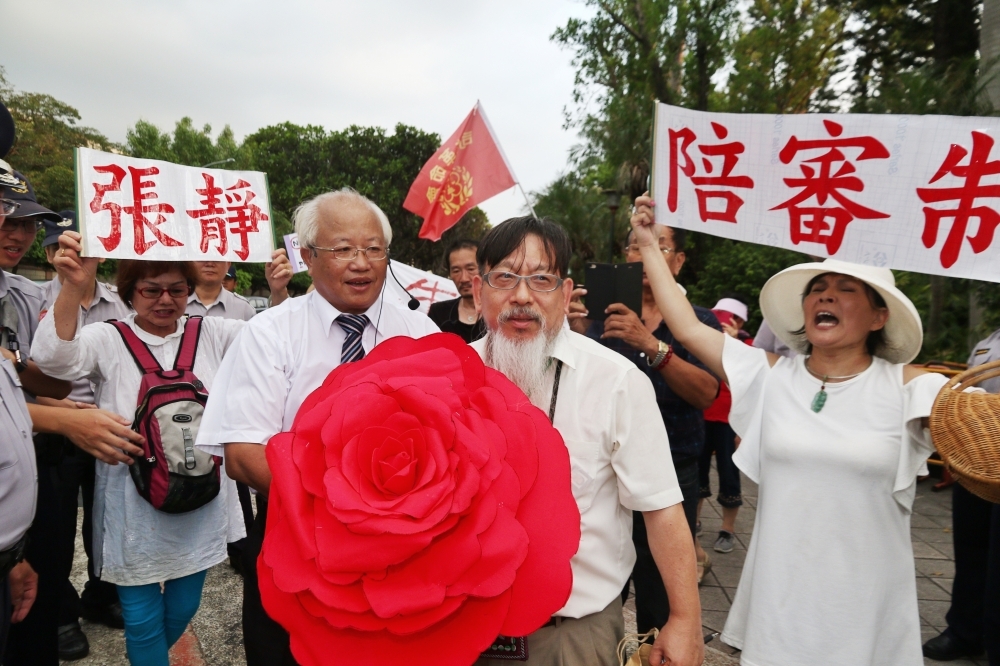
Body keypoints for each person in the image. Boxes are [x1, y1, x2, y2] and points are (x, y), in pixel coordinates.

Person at [629, 193, 950, 665]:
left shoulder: (915, 388)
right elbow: (686, 325)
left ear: (879, 316)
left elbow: (981, 433)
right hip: (781, 608)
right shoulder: (771, 376)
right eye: (818, 287)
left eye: (846, 289)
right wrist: (649, 246)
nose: (826, 294)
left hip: (865, 612)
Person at [195, 188, 439, 665]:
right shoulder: (269, 334)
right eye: (343, 248)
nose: (361, 262)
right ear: (306, 256)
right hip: (297, 531)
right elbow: (244, 455)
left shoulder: (419, 333)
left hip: (403, 544)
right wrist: (343, 507)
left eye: (374, 248)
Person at [470, 216, 702, 666]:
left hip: (573, 636)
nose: (521, 297)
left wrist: (685, 620)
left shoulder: (616, 381)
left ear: (565, 291)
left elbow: (662, 508)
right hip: (464, 631)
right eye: (504, 278)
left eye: (541, 279)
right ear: (479, 291)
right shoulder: (444, 374)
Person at [33, 234, 249, 666]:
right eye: (151, 290)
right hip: (132, 505)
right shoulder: (106, 338)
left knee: (185, 607)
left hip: (201, 499)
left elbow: (273, 342)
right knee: (141, 616)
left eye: (176, 289)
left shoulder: (213, 332)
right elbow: (53, 360)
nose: (165, 300)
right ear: (130, 292)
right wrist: (74, 285)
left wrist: (287, 288)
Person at [577, 226, 719, 635]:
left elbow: (706, 393)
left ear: (677, 261)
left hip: (674, 473)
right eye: (636, 246)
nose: (643, 254)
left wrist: (651, 345)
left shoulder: (698, 323)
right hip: (608, 477)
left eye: (658, 246)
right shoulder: (601, 322)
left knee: (662, 595)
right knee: (603, 584)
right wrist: (571, 334)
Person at [37, 211, 131, 661]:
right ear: (49, 253)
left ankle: (101, 589)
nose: (74, 257)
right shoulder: (36, 296)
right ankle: (59, 611)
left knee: (106, 514)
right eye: (61, 248)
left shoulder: (121, 303)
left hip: (108, 427)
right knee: (53, 528)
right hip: (54, 427)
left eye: (84, 248)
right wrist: (64, 414)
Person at [186, 253, 292, 577]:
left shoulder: (243, 309)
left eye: (219, 255)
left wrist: (278, 292)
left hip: (232, 418)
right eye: (201, 255)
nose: (210, 262)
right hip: (183, 420)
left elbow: (273, 338)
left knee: (239, 495)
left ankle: (241, 553)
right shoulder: (175, 303)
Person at [921, 326, 1000, 664]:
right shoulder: (989, 342)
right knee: (971, 547)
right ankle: (965, 631)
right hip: (979, 456)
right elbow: (969, 392)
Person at [0, 135, 39, 658]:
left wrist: (10, 557)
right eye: (6, 218)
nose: (18, 234)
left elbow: (23, 378)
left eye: (27, 222)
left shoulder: (17, 292)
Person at [696, 296, 750, 556]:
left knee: (730, 475)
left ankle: (727, 529)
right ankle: (693, 523)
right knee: (697, 474)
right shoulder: (708, 342)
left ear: (738, 321)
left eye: (726, 318)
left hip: (731, 422)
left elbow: (750, 382)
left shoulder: (750, 346)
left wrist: (736, 343)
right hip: (703, 417)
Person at [427, 238, 486, 342]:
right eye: (456, 271)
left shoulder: (500, 313)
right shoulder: (439, 313)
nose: (464, 278)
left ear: (485, 268)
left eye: (471, 269)